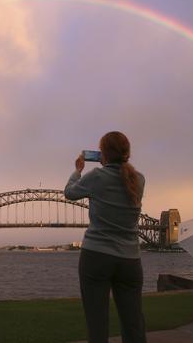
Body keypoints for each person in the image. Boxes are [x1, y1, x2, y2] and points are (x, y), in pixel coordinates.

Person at [64, 131, 146, 343]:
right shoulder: (139, 179)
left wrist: (77, 171)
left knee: (97, 323)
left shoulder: (97, 177)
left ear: (103, 154)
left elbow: (69, 193)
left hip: (96, 256)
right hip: (130, 259)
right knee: (133, 322)